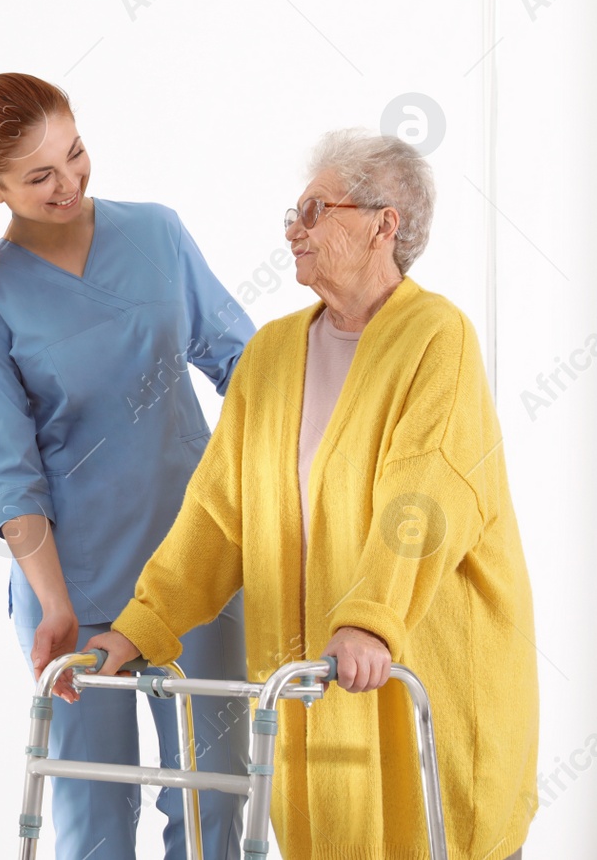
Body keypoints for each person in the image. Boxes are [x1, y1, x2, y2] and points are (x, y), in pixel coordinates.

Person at [83, 129, 538, 860]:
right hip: (310, 694)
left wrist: (369, 619)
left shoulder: (436, 336)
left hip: (416, 680)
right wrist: (141, 624)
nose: (294, 228)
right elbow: (215, 513)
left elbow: (423, 494)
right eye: (292, 212)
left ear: (384, 224)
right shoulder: (270, 355)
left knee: (430, 834)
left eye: (315, 209)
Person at [0, 72, 254, 860]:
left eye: (75, 154)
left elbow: (243, 364)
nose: (69, 182)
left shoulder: (157, 235)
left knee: (216, 805)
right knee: (95, 821)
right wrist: (54, 604)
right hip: (74, 591)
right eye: (39, 176)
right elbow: (7, 472)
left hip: (197, 572)